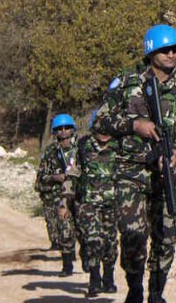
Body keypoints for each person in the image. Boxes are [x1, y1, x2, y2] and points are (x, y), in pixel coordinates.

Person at [94, 25, 176, 303]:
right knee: (132, 234)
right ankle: (135, 287)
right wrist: (134, 125)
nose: (171, 54)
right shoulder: (127, 81)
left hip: (166, 171)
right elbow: (100, 121)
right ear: (151, 51)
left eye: (175, 49)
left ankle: (156, 293)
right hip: (130, 171)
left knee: (165, 237)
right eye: (165, 49)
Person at [62, 110, 119, 297]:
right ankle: (94, 280)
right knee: (94, 240)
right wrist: (64, 202)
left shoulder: (119, 146)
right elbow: (71, 174)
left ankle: (109, 278)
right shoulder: (82, 146)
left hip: (112, 204)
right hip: (88, 204)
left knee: (110, 243)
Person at [35, 113, 79, 277]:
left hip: (81, 194)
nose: (64, 132)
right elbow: (40, 178)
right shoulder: (50, 152)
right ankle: (67, 265)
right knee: (64, 230)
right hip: (59, 196)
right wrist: (55, 177)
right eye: (59, 129)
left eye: (67, 128)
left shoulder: (81, 148)